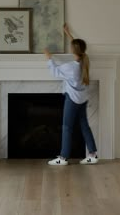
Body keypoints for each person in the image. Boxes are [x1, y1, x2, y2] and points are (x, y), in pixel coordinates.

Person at [44, 23, 98, 166]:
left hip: (73, 99)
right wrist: (68, 34)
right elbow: (77, 47)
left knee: (67, 127)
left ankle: (63, 157)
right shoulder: (84, 62)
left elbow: (55, 71)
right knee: (84, 125)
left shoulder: (70, 68)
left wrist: (48, 57)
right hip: (83, 98)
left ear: (73, 50)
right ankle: (92, 154)